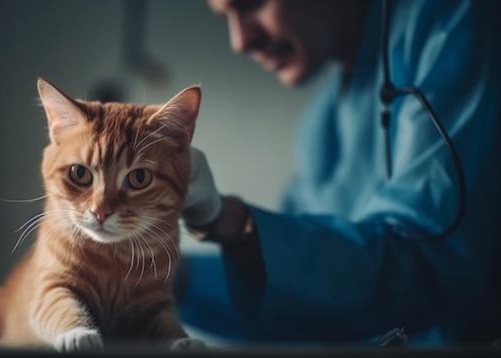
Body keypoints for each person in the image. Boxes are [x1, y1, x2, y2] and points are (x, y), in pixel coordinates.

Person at [177, 0, 501, 347]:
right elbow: (291, 296)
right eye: (226, 16)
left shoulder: (449, 22)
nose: (240, 42)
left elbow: (432, 273)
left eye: (251, 4)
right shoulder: (320, 125)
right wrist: (164, 279)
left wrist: (225, 218)